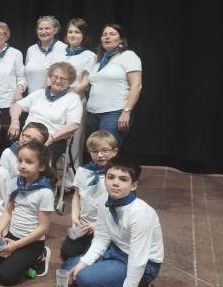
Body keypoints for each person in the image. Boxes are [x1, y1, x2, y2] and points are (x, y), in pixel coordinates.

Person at [66, 155, 163, 287]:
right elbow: (101, 238)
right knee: (69, 267)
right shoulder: (105, 200)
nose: (115, 183)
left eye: (123, 179)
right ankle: (111, 274)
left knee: (85, 280)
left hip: (144, 263)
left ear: (133, 185)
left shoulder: (141, 213)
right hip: (116, 250)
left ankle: (141, 282)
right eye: (110, 177)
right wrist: (84, 263)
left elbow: (138, 258)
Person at [0, 140, 54, 285]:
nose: (22, 165)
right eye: (20, 160)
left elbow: (43, 228)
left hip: (32, 242)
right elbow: (8, 211)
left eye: (28, 162)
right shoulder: (16, 182)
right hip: (12, 235)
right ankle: (18, 261)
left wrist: (16, 246)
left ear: (41, 166)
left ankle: (39, 258)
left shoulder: (45, 192)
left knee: (6, 277)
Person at [8, 62, 83, 165]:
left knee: (41, 161)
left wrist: (52, 138)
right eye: (55, 77)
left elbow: (73, 125)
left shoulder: (72, 99)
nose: (58, 81)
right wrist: (15, 121)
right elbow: (17, 106)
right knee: (8, 155)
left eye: (63, 79)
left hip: (52, 140)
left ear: (70, 81)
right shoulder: (39, 93)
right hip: (27, 136)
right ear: (50, 77)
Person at [60, 131, 118, 261]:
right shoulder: (83, 171)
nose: (99, 155)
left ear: (114, 152)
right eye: (95, 151)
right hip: (83, 225)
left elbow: (120, 210)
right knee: (66, 253)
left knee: (92, 258)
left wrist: (97, 225)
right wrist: (74, 217)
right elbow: (76, 196)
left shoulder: (116, 176)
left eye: (104, 151)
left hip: (105, 227)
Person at [86, 24, 142, 146]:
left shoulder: (128, 56)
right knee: (95, 150)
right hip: (92, 114)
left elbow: (136, 85)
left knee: (107, 149)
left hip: (114, 113)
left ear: (121, 39)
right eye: (104, 34)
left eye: (112, 34)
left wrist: (126, 111)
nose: (107, 37)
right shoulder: (99, 61)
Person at [57, 18, 97, 177]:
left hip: (76, 100)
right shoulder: (59, 53)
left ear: (83, 35)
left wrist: (68, 92)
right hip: (57, 100)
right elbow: (50, 76)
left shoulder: (89, 55)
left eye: (77, 32)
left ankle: (71, 180)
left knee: (74, 142)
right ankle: (56, 177)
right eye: (70, 32)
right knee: (57, 137)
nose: (73, 35)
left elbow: (85, 81)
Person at [24, 16, 67, 94]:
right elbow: (25, 76)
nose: (43, 32)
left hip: (54, 97)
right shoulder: (31, 49)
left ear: (55, 30)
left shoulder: (63, 48)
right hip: (32, 98)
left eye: (47, 28)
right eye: (40, 29)